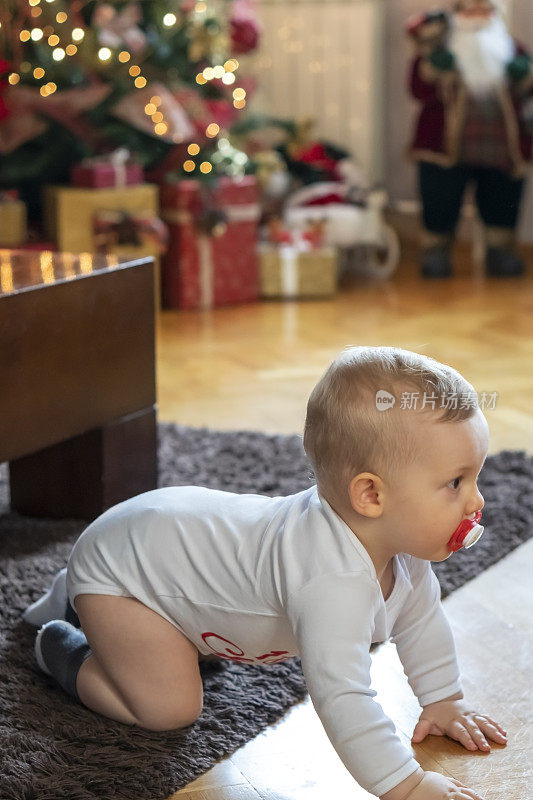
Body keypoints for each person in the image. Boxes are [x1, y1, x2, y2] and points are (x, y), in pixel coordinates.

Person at [23, 345, 507, 800]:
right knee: (169, 709)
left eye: (475, 478)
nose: (477, 501)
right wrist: (405, 784)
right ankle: (62, 644)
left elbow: (421, 622)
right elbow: (344, 699)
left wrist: (442, 699)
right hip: (124, 580)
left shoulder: (403, 551)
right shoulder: (331, 584)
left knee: (173, 635)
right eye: (455, 483)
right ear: (371, 496)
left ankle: (98, 602)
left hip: (152, 549)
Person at [406, 0, 533, 279]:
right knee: (440, 197)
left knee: (502, 197)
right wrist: (435, 68)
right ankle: (436, 249)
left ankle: (500, 250)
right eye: (469, 10)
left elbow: (527, 94)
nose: (476, 17)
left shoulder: (513, 49)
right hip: (446, 145)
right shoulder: (438, 49)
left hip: (501, 146)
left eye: (483, 10)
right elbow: (417, 89)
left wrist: (525, 76)